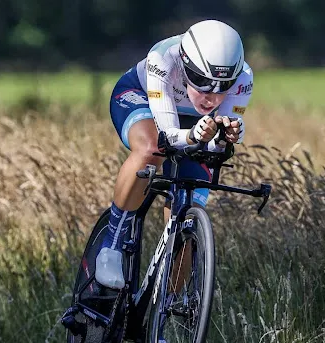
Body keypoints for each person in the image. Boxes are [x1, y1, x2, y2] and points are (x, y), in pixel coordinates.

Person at [95, 19, 254, 289]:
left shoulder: (244, 78)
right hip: (143, 98)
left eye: (223, 85)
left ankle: (159, 312)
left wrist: (225, 138)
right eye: (202, 81)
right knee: (151, 151)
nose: (211, 97)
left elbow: (216, 146)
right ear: (185, 62)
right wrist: (194, 136)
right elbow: (167, 137)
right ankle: (111, 247)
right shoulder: (164, 57)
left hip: (194, 125)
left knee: (187, 216)